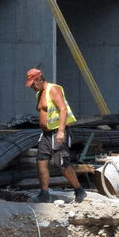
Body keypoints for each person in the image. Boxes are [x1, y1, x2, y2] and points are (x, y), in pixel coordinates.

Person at [25, 68, 86, 203]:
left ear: (39, 79)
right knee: (41, 161)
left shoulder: (53, 89)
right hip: (46, 134)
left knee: (62, 164)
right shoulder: (39, 93)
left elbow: (63, 109)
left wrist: (61, 131)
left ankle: (79, 190)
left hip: (57, 132)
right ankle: (44, 194)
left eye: (33, 84)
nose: (32, 87)